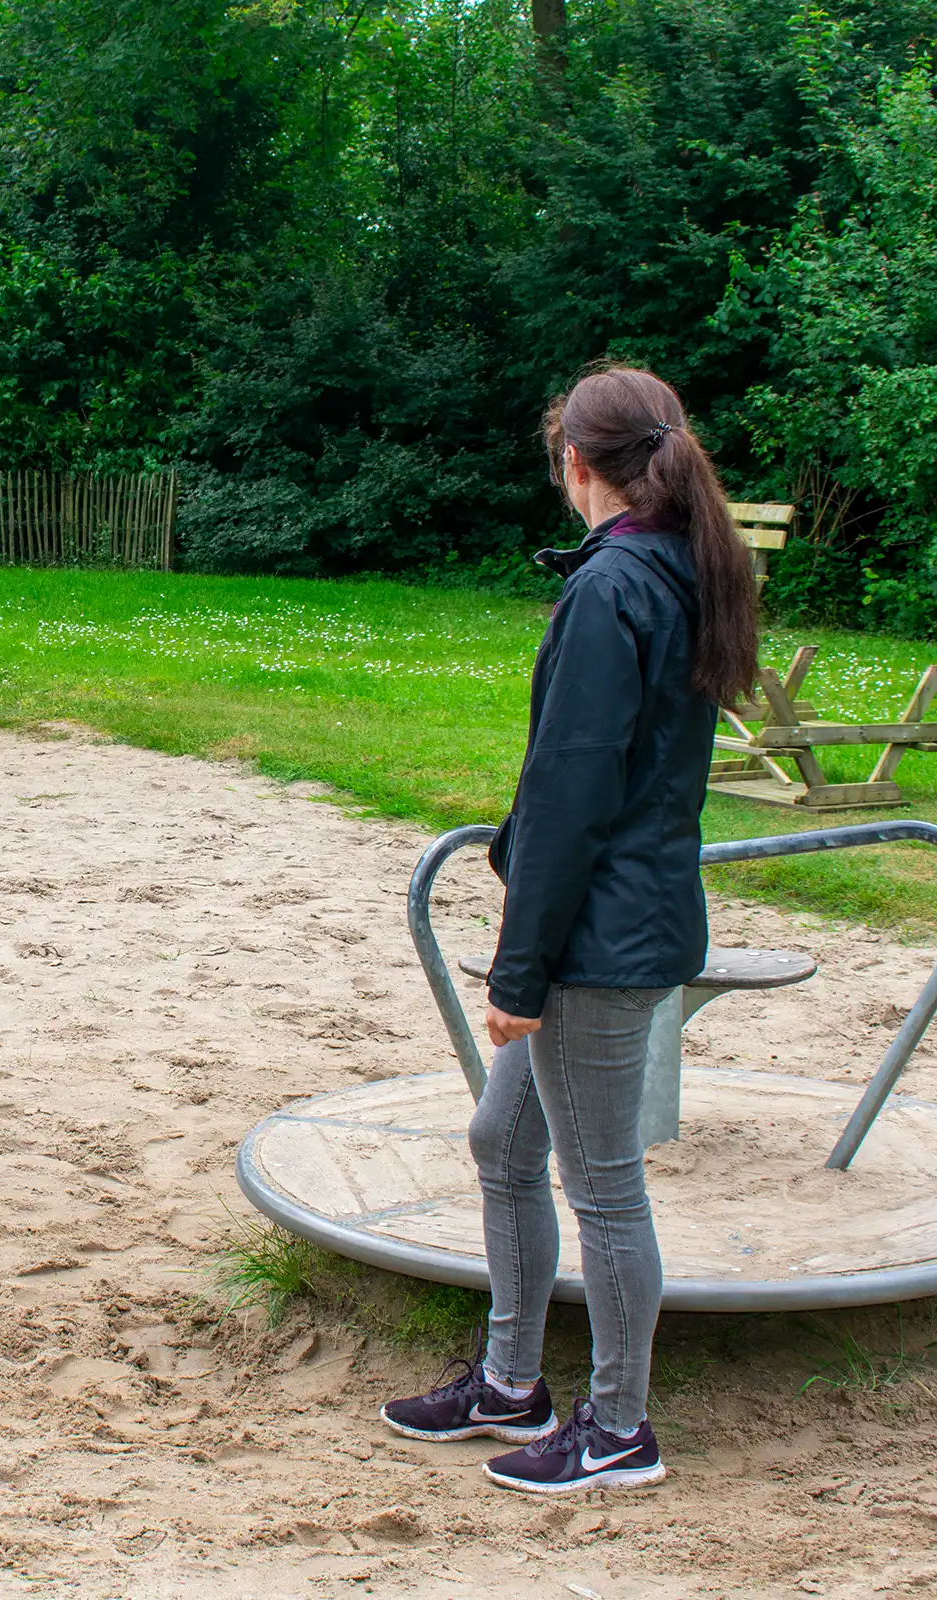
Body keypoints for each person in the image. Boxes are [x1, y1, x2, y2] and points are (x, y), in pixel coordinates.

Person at [380, 365, 759, 1493]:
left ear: (573, 465)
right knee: (504, 1144)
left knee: (600, 1183)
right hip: (624, 915)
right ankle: (507, 1380)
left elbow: (567, 794)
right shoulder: (675, 566)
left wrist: (520, 969)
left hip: (597, 937)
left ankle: (617, 1426)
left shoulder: (614, 589)